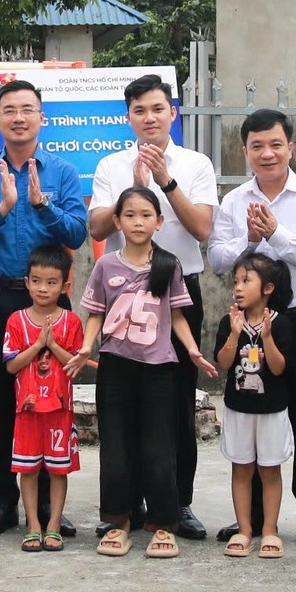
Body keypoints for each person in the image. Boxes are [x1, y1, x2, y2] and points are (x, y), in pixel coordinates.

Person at [0, 79, 88, 538]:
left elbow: (76, 234)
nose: (18, 118)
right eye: (9, 110)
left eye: (27, 109)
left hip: (49, 303)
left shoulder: (63, 173)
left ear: (41, 118)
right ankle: (3, 500)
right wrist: (3, 208)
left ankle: (49, 504)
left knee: (50, 402)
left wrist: (41, 205)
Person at [88, 74, 217, 541]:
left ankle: (177, 502)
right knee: (124, 405)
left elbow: (202, 228)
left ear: (172, 113)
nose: (149, 118)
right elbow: (97, 229)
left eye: (158, 109)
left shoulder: (195, 163)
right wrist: (133, 190)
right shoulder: (111, 165)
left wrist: (165, 181)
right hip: (124, 296)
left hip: (177, 291)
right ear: (128, 117)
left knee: (176, 403)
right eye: (139, 110)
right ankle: (127, 504)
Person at [208, 109, 296, 550]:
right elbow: (217, 260)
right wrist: (249, 239)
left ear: (291, 148)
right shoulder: (234, 202)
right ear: (245, 151)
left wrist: (277, 235)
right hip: (249, 325)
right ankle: (250, 522)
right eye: (257, 146)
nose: (267, 154)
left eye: (276, 144)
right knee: (252, 418)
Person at [82, 187, 218, 561]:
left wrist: (192, 351)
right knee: (116, 445)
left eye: (145, 215)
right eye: (129, 215)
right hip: (115, 367)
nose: (138, 222)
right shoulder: (105, 266)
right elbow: (95, 314)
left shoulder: (169, 265)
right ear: (116, 221)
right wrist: (85, 347)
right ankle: (118, 522)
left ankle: (162, 523)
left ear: (159, 222)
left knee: (160, 447)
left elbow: (177, 316)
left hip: (159, 369)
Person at [3, 244, 84, 553]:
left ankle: (54, 525)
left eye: (51, 282)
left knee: (58, 470)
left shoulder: (72, 322)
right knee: (28, 469)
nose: (42, 288)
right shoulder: (16, 321)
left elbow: (74, 366)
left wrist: (53, 344)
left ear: (64, 286)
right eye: (36, 281)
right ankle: (33, 525)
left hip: (59, 411)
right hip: (27, 410)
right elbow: (11, 366)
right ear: (27, 282)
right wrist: (38, 345)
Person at [214, 252, 294, 560]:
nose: (238, 287)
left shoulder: (281, 324)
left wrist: (267, 338)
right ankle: (245, 530)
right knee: (242, 469)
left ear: (268, 288)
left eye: (246, 281)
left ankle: (270, 530)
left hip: (272, 410)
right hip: (239, 409)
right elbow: (223, 363)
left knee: (270, 469)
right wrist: (234, 335)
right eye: (236, 281)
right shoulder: (229, 322)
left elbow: (278, 368)